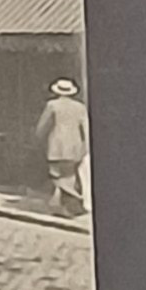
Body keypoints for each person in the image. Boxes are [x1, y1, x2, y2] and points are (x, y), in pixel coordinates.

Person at [37, 78, 89, 217]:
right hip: (75, 147)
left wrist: (39, 139)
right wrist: (84, 147)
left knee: (57, 176)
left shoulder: (52, 105)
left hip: (56, 146)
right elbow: (85, 129)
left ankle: (74, 202)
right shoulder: (80, 107)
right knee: (70, 176)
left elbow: (43, 127)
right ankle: (65, 206)